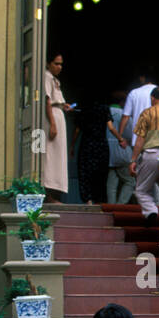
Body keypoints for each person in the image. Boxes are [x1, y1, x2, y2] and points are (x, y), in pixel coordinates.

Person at [130, 86, 159, 223]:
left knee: (141, 190)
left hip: (151, 154)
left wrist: (133, 160)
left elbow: (140, 139)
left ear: (152, 98)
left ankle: (150, 211)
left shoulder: (147, 113)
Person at [72, 96, 116, 205]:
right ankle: (99, 199)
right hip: (101, 145)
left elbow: (77, 130)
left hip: (86, 145)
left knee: (85, 173)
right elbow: (110, 127)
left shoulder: (84, 110)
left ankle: (88, 199)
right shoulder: (105, 109)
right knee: (100, 173)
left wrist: (72, 146)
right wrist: (120, 138)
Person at [43, 51, 73, 202]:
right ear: (49, 64)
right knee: (51, 156)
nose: (59, 67)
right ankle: (48, 193)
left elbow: (55, 100)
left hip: (58, 114)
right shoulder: (46, 77)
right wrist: (53, 124)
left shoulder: (55, 80)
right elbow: (47, 101)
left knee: (58, 156)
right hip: (53, 117)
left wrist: (63, 105)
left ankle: (55, 193)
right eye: (56, 63)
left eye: (61, 64)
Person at [118, 71, 159, 144]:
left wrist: (119, 137)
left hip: (138, 140)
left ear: (142, 78)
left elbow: (125, 117)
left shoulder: (134, 93)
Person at [106, 89, 135, 204]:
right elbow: (130, 134)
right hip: (122, 151)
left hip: (108, 151)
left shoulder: (105, 111)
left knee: (112, 182)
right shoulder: (124, 115)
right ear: (123, 102)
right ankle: (120, 206)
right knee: (130, 181)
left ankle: (111, 206)